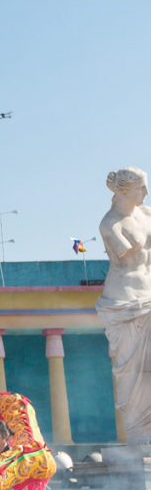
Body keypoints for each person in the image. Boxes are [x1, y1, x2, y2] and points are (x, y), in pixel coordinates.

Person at [96, 167, 151, 444]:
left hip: (149, 298)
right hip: (125, 303)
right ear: (124, 190)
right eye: (141, 188)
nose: (146, 193)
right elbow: (131, 258)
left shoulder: (147, 213)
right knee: (133, 373)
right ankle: (140, 435)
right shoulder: (110, 225)